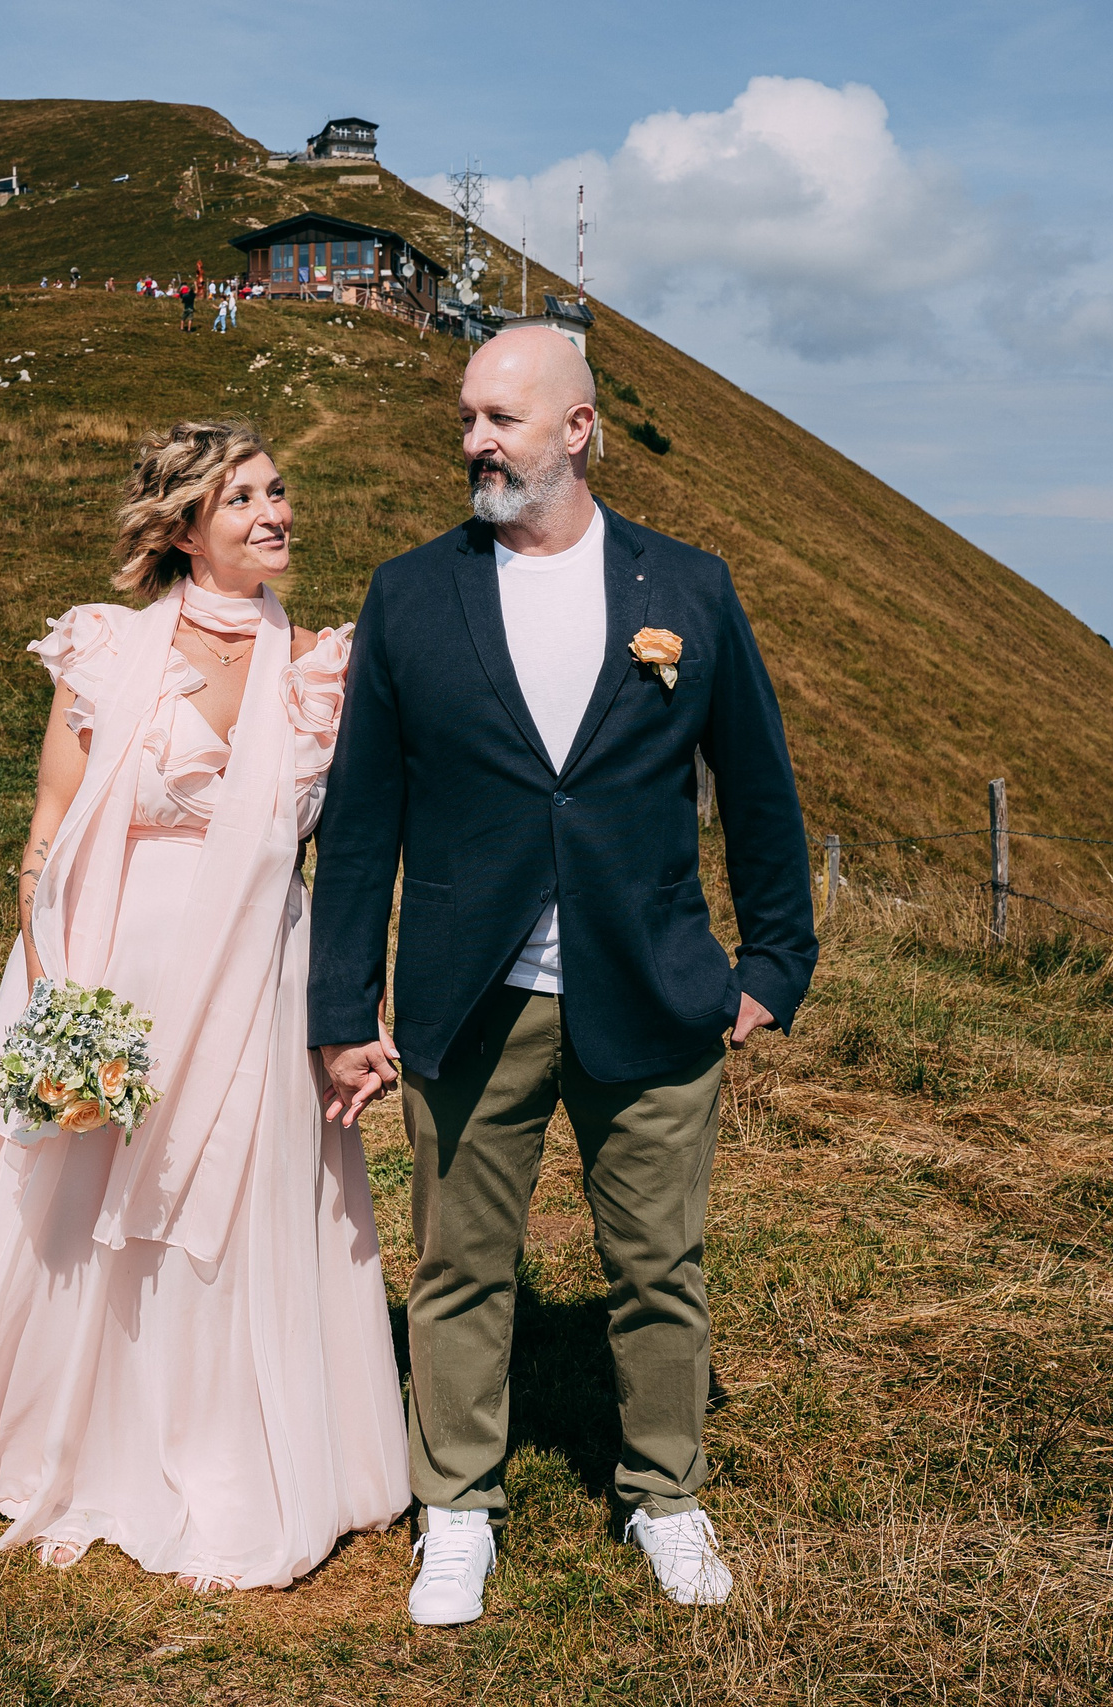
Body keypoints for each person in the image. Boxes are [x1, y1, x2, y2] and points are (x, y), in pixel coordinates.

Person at [0, 421, 408, 1593]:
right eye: (241, 497)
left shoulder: (328, 667)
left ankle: (226, 1443)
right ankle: (52, 1437)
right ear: (183, 526)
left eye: (277, 489)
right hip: (109, 976)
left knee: (233, 1197)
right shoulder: (104, 647)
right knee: (67, 1205)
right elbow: (48, 828)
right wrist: (52, 1003)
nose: (273, 512)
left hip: (257, 973)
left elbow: (353, 848)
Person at [308, 327, 817, 1625]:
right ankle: (459, 1509)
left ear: (578, 430)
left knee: (660, 1263)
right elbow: (362, 821)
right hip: (465, 997)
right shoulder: (410, 594)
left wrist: (775, 959)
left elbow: (757, 784)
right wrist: (337, 1006)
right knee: (462, 1266)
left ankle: (666, 1492)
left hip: (651, 985)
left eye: (501, 417)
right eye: (467, 415)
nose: (473, 438)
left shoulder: (687, 588)